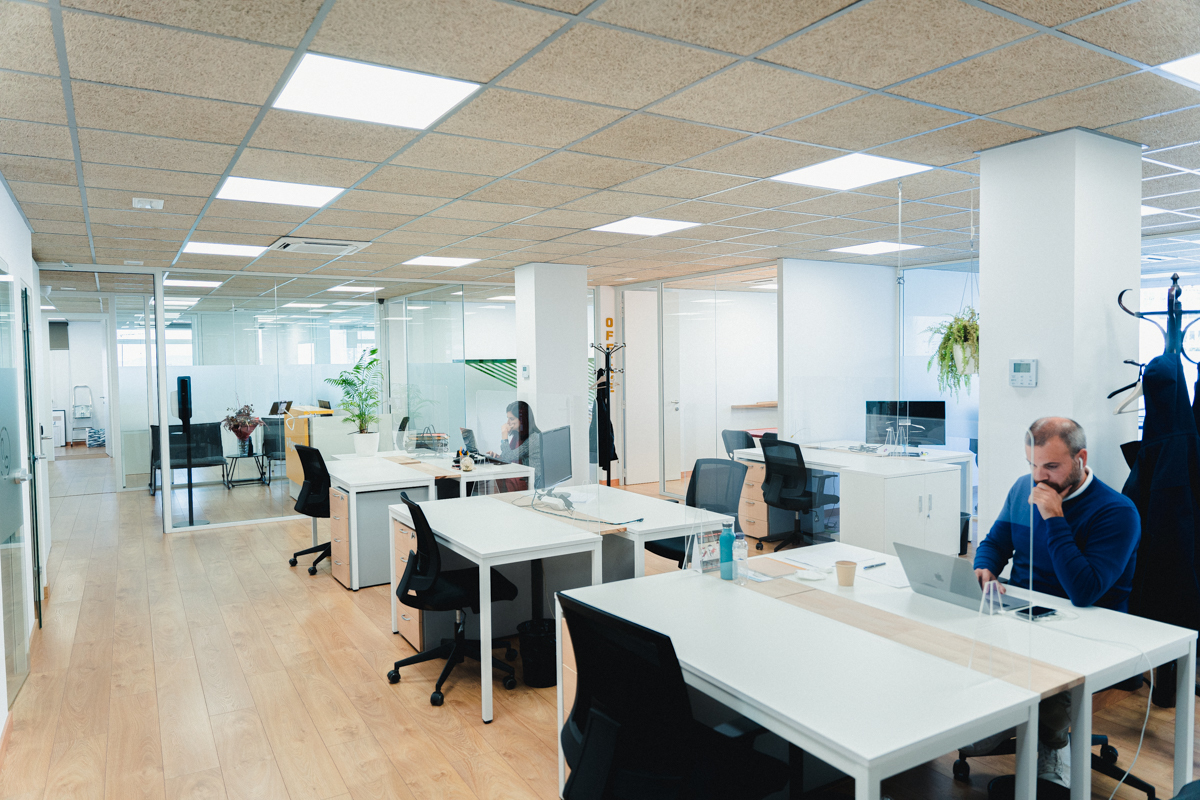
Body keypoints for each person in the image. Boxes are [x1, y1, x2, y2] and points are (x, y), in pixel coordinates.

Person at [970, 417, 1140, 788]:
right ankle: (987, 721)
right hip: (1025, 613)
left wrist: (1053, 517)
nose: (1038, 477)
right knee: (951, 642)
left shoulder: (1117, 511)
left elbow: (1084, 591)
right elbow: (995, 543)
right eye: (1032, 465)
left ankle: (1053, 746)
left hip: (1088, 629)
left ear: (1081, 459)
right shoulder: (1022, 489)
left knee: (1044, 672)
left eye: (1050, 466)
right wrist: (985, 568)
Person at [489, 400, 541, 492]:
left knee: (494, 479)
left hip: (532, 483)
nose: (508, 422)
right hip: (522, 475)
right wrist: (498, 457)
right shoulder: (517, 435)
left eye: (511, 419)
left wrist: (504, 436)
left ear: (522, 419)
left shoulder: (534, 438)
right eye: (508, 418)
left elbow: (509, 457)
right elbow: (508, 456)